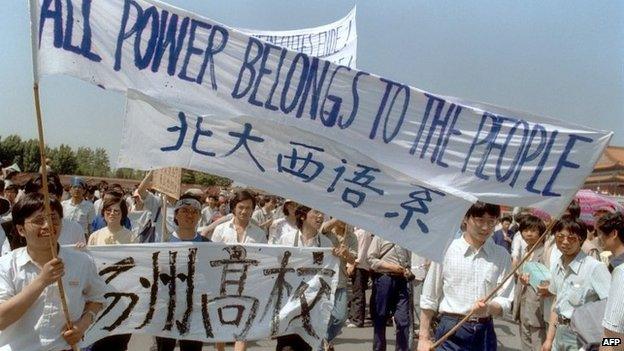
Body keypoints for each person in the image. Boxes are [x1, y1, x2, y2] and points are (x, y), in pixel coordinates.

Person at [0, 193, 107, 350]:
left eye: (53, 219)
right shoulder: (6, 265)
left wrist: (82, 326)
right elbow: (2, 319)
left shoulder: (82, 262)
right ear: (21, 229)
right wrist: (42, 281)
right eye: (38, 221)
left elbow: (98, 298)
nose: (47, 225)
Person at [418, 202, 514, 351]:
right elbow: (430, 296)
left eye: (491, 222)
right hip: (451, 328)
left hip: (484, 331)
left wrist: (489, 307)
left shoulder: (502, 255)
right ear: (465, 218)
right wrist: (424, 337)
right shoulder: (446, 250)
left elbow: (505, 300)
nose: (485, 227)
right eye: (480, 220)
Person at [541, 216, 611, 351]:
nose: (565, 242)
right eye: (560, 237)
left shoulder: (595, 267)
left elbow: (611, 308)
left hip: (583, 337)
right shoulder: (557, 265)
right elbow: (557, 303)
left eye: (571, 238)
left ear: (581, 240)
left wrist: (607, 344)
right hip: (559, 332)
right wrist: (549, 340)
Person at [275, 205, 335, 351]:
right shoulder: (286, 240)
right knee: (286, 347)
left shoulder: (326, 244)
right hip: (288, 302)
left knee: (306, 345)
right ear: (303, 216)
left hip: (312, 304)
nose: (320, 216)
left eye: (322, 213)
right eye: (316, 212)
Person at [211, 190, 266, 351]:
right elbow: (212, 257)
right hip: (222, 285)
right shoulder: (221, 230)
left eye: (248, 208)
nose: (244, 211)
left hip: (248, 285)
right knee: (221, 328)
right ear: (234, 207)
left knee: (243, 329)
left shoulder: (259, 233)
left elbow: (263, 260)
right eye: (241, 207)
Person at [86, 191, 139, 351]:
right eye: (108, 211)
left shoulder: (132, 237)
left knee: (119, 340)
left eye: (117, 211)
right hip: (100, 293)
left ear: (123, 214)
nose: (112, 214)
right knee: (98, 336)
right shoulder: (95, 236)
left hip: (123, 294)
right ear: (103, 213)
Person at [155, 195, 208, 351]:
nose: (189, 215)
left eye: (194, 211)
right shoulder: (162, 244)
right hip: (166, 309)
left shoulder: (208, 246)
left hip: (196, 309)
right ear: (176, 214)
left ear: (199, 216)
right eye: (185, 210)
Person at [368, 234, 414, 351]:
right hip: (384, 279)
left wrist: (407, 270)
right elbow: (370, 259)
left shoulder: (406, 238)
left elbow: (408, 261)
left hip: (401, 281)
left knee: (403, 320)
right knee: (380, 318)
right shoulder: (380, 236)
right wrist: (390, 266)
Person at [319, 219, 357, 351]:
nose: (342, 220)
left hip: (340, 281)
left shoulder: (351, 236)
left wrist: (346, 254)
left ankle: (323, 339)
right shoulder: (327, 232)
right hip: (323, 280)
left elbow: (353, 260)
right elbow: (322, 229)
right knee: (323, 316)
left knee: (340, 317)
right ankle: (321, 344)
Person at [514, 214, 548, 351]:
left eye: (533, 230)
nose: (528, 234)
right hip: (523, 306)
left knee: (538, 345)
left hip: (537, 309)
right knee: (526, 344)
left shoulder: (545, 252)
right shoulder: (526, 251)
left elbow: (546, 281)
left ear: (540, 232)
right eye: (525, 230)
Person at [596, 212, 624, 344]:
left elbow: (612, 331)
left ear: (614, 234)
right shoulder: (616, 263)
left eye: (601, 233)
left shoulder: (621, 271)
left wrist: (606, 345)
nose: (599, 238)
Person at [347, 228, 374, 328]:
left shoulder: (363, 232)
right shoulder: (359, 231)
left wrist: (353, 264)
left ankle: (357, 319)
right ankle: (354, 317)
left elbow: (361, 253)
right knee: (356, 292)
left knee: (358, 293)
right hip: (358, 265)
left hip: (360, 266)